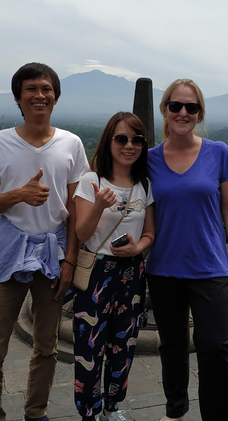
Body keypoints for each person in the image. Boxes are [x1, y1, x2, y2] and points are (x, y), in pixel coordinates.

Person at [0, 62, 90, 421]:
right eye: (31, 90)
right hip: (10, 250)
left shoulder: (71, 144)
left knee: (47, 346)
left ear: (55, 97)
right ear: (18, 99)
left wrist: (70, 260)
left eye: (46, 89)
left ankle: (36, 412)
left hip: (53, 253)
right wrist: (19, 194)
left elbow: (74, 208)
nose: (40, 95)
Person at [147, 79, 228, 421]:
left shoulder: (219, 152)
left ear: (200, 112)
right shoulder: (149, 161)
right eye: (176, 106)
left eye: (191, 107)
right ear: (165, 109)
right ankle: (176, 411)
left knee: (214, 347)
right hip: (163, 269)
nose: (183, 113)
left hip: (211, 266)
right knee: (171, 346)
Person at [72, 112, 155, 421]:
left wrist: (139, 247)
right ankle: (89, 412)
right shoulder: (91, 181)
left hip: (132, 271)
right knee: (89, 348)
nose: (129, 146)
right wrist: (98, 206)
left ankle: (112, 406)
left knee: (124, 344)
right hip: (96, 271)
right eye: (121, 139)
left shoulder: (145, 184)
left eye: (137, 140)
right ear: (109, 142)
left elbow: (151, 233)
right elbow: (81, 233)